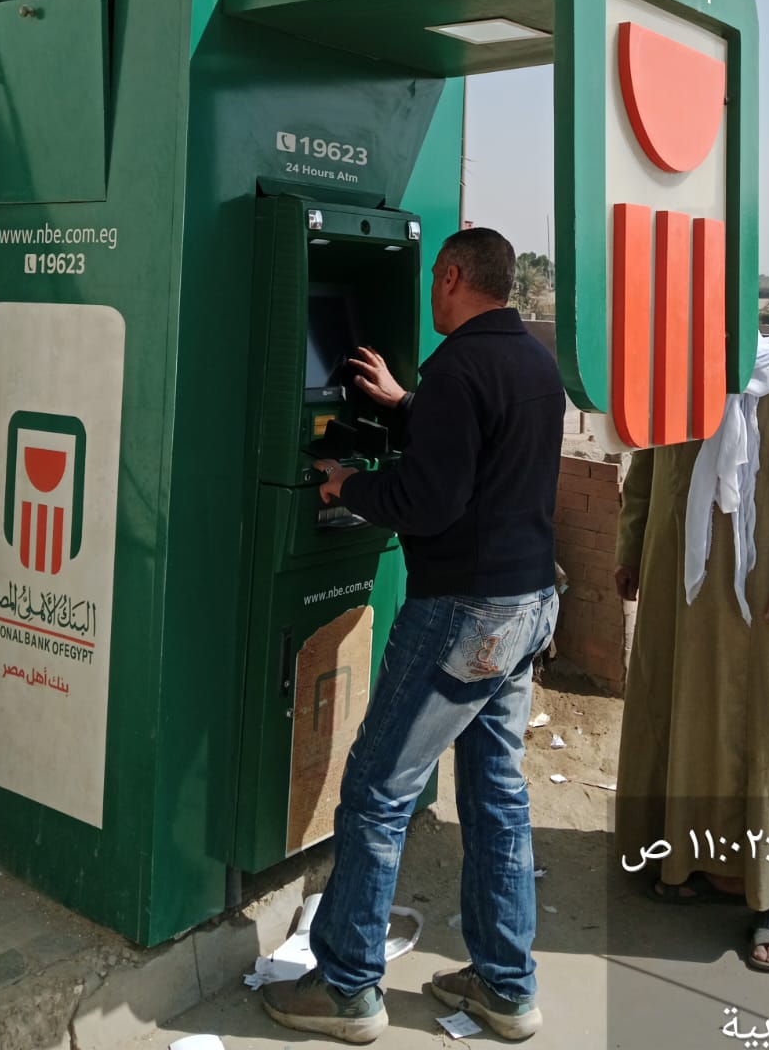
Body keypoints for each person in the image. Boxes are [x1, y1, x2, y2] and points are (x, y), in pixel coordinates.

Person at [262, 228, 565, 1044]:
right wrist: (403, 405)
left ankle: (345, 987)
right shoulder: (534, 363)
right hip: (528, 605)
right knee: (497, 794)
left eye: (435, 280)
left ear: (452, 276)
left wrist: (349, 484)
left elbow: (428, 501)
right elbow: (480, 446)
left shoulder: (460, 369)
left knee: (377, 789)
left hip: (463, 614)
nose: (431, 293)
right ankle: (507, 987)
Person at [614, 335, 769, 972]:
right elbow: (647, 472)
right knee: (688, 725)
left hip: (765, 600)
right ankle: (692, 863)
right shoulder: (674, 378)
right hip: (683, 595)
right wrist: (632, 547)